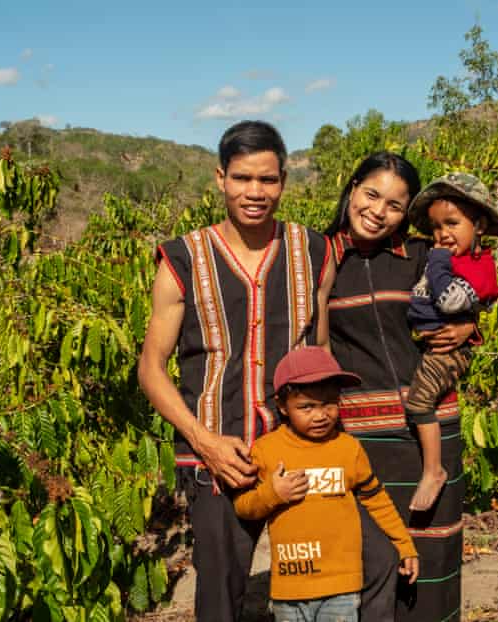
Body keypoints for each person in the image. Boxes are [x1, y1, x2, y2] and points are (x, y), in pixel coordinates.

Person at [138, 120, 335, 622]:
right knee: (220, 597)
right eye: (243, 178)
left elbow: (322, 352)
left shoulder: (314, 251)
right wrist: (203, 441)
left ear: (284, 182)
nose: (255, 192)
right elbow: (151, 369)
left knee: (314, 587)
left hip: (298, 451)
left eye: (267, 180)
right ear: (220, 178)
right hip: (219, 458)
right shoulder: (182, 258)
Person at [324, 152, 475, 622]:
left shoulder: (422, 258)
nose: (378, 211)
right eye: (371, 195)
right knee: (371, 561)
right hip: (357, 436)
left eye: (394, 204)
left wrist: (470, 327)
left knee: (433, 559)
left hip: (429, 429)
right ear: (352, 190)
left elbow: (464, 302)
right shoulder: (318, 256)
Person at [234, 346, 419, 622]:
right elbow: (243, 507)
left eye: (329, 403)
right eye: (306, 407)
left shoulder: (348, 449)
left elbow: (377, 500)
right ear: (283, 406)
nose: (321, 415)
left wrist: (404, 545)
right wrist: (273, 493)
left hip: (341, 588)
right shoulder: (266, 451)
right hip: (289, 589)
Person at [404, 173, 498, 512]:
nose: (442, 235)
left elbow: (449, 301)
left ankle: (433, 470)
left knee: (419, 401)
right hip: (434, 343)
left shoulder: (476, 266)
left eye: (452, 223)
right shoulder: (452, 258)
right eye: (435, 227)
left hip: (451, 350)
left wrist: (437, 262)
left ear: (478, 225)